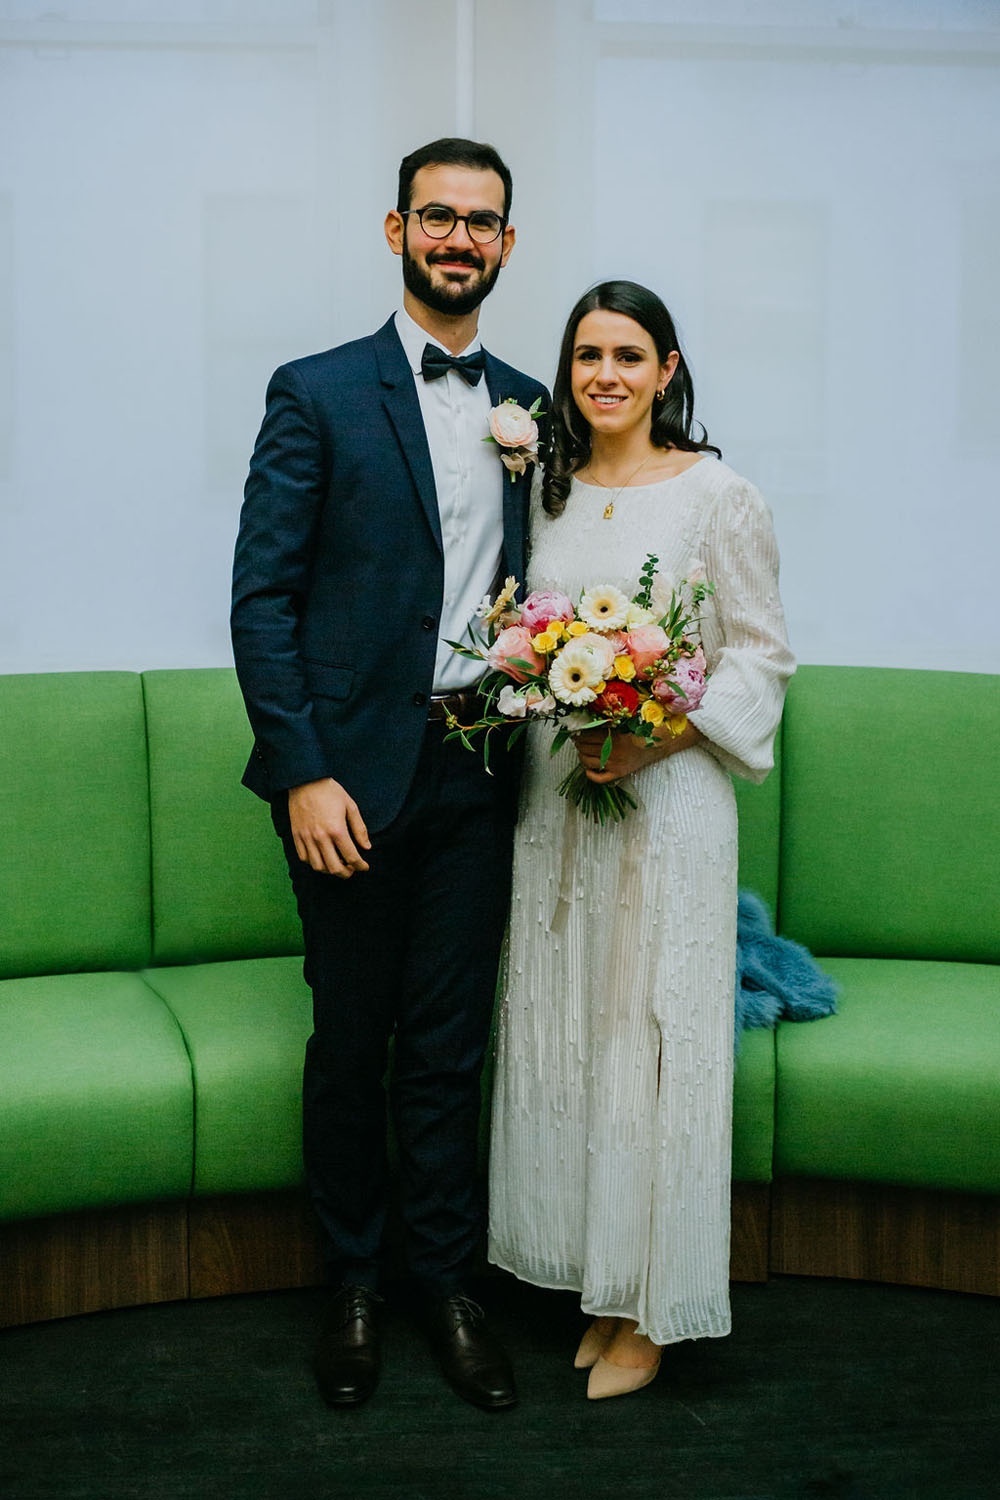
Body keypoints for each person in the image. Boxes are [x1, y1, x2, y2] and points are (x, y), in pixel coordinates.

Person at [231, 138, 548, 1411]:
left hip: (478, 771)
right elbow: (262, 601)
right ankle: (353, 1285)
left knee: (447, 1052)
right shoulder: (314, 390)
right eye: (436, 216)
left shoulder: (537, 402)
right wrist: (304, 772)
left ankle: (444, 1284)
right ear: (395, 229)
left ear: (507, 244)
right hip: (346, 784)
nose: (457, 238)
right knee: (352, 1041)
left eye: (480, 221)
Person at [487, 281, 795, 1399]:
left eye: (627, 354)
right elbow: (528, 632)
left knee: (653, 1042)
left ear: (667, 369)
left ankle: (655, 1313)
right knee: (575, 1026)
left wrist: (658, 735)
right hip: (560, 802)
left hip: (668, 808)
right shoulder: (550, 493)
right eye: (584, 356)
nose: (604, 374)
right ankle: (604, 1287)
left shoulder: (721, 496)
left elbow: (761, 654)